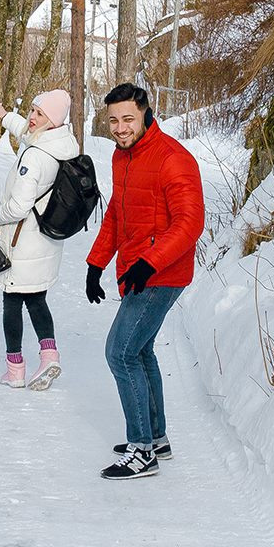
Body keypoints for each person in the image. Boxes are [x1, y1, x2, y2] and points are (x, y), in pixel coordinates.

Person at [86, 82, 204, 478]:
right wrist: (96, 264)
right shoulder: (124, 157)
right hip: (140, 269)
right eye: (114, 120)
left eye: (128, 120)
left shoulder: (172, 158)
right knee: (140, 351)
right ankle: (156, 437)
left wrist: (148, 263)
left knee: (119, 353)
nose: (120, 128)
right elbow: (117, 215)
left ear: (145, 113)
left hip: (163, 273)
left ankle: (141, 452)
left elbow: (190, 224)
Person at [0, 88, 79, 389]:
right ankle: (49, 356)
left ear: (52, 120)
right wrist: (4, 116)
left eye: (39, 114)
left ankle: (15, 370)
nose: (32, 118)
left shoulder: (35, 157)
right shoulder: (62, 145)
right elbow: (27, 132)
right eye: (32, 111)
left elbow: (18, 206)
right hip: (46, 240)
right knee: (36, 299)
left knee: (11, 302)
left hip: (22, 241)